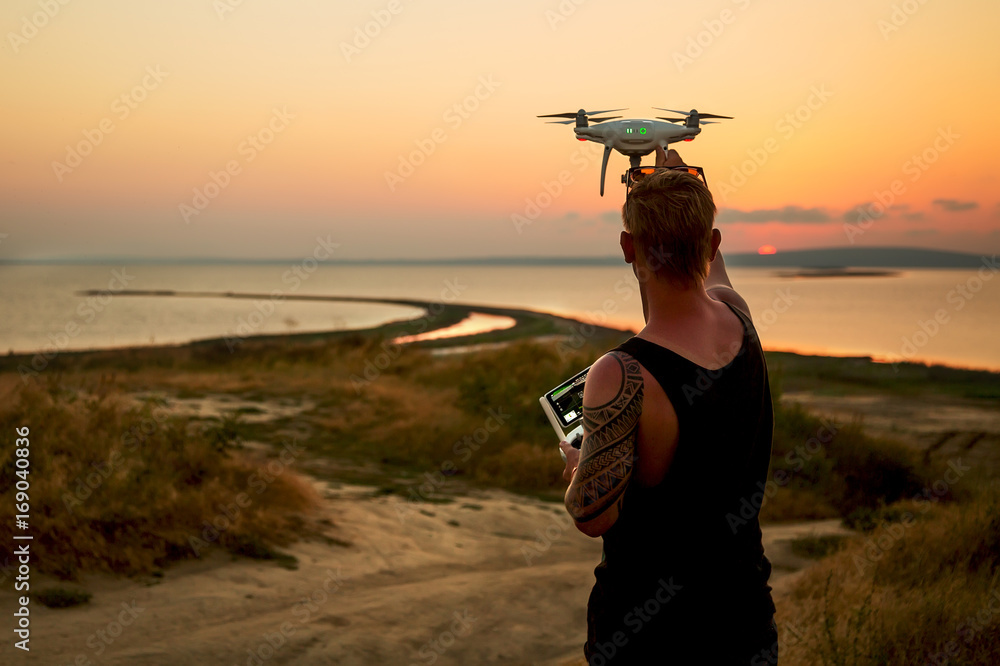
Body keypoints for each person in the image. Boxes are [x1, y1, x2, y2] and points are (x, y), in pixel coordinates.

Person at [559, 147, 778, 664]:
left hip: (650, 640)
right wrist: (687, 191)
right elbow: (708, 273)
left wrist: (576, 464)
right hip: (744, 622)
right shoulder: (737, 316)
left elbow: (592, 514)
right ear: (713, 242)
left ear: (627, 247)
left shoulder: (619, 374)